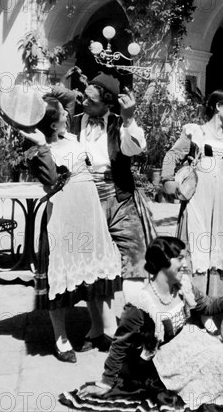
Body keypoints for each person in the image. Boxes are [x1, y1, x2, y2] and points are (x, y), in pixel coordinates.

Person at [59, 237, 223, 412]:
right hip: (160, 362)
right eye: (181, 260)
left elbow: (208, 306)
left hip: (190, 343)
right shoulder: (141, 304)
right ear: (163, 264)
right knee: (218, 364)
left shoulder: (183, 286)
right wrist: (107, 382)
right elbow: (120, 344)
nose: (186, 265)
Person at [20, 93, 123, 363]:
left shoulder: (71, 138)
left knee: (92, 272)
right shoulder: (35, 151)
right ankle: (61, 338)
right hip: (63, 216)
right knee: (60, 277)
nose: (69, 114)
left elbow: (64, 98)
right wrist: (42, 144)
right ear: (52, 125)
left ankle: (98, 329)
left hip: (88, 211)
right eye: (63, 114)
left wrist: (41, 100)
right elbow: (51, 180)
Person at [68, 73, 149, 320]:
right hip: (83, 196)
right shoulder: (71, 123)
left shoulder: (120, 123)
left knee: (136, 258)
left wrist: (129, 119)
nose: (85, 104)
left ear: (106, 103)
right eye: (84, 98)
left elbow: (135, 148)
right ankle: (98, 327)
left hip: (119, 196)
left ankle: (136, 323)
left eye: (91, 102)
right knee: (89, 261)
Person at [161, 89, 223, 298]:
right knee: (197, 244)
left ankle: (213, 303)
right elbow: (172, 155)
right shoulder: (196, 132)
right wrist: (168, 180)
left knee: (220, 245)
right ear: (217, 106)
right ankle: (193, 301)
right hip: (199, 196)